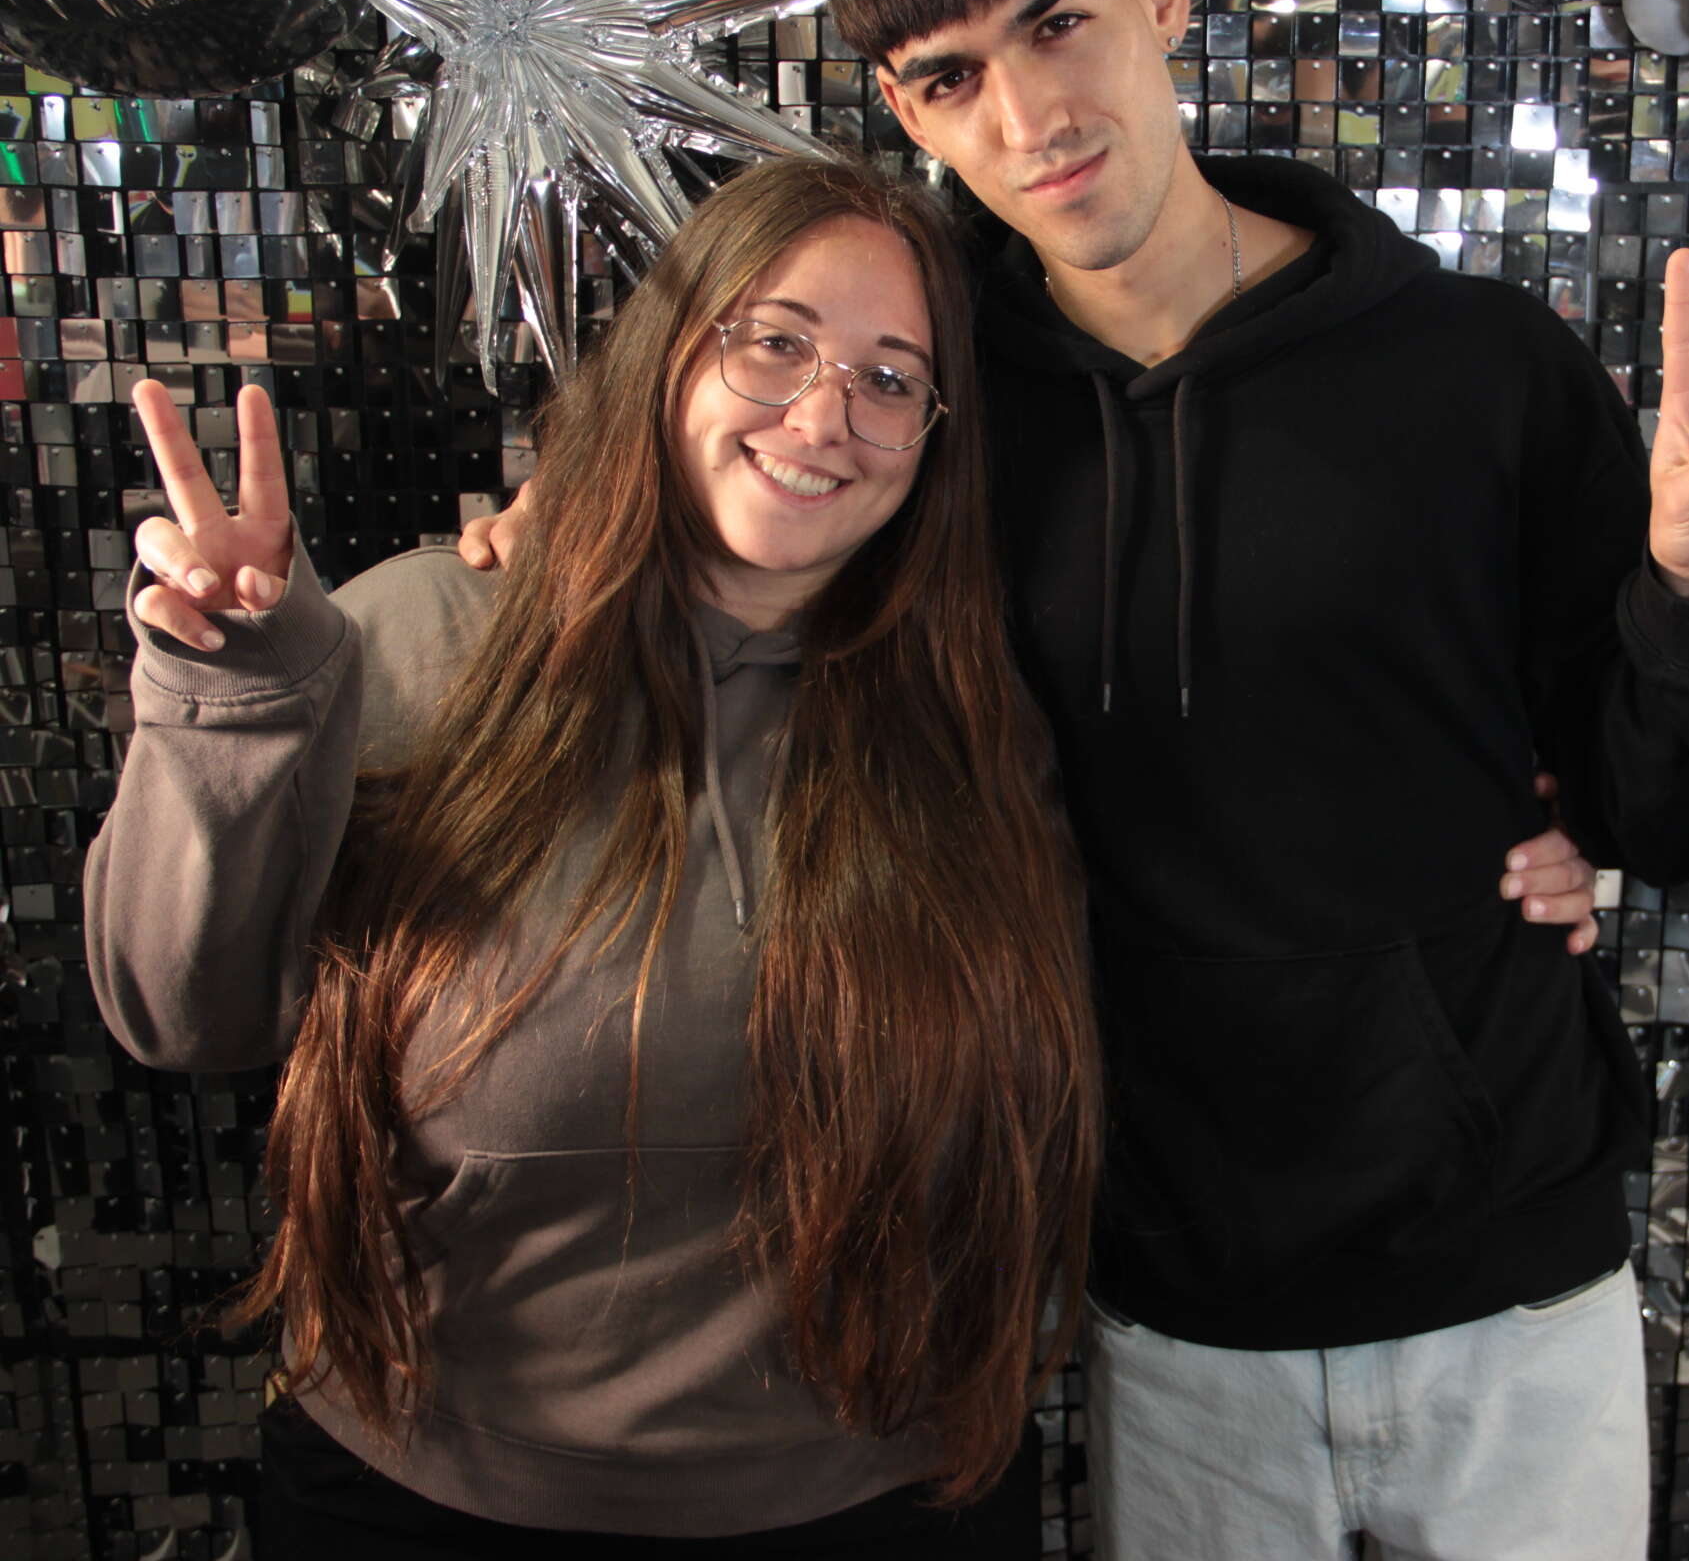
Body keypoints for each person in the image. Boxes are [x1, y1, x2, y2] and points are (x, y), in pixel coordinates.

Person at [467, 0, 1689, 1549]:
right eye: (953, 77)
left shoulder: (1477, 368)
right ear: (905, 104)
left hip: (1512, 1273)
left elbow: (1663, 811)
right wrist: (575, 519)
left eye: (1059, 24)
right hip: (1167, 1302)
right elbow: (748, 537)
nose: (1029, 118)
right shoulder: (920, 411)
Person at [84, 154, 1101, 1558]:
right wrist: (237, 702)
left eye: (889, 378)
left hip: (889, 1498)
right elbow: (183, 1016)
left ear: (936, 437)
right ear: (669, 355)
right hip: (433, 1501)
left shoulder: (974, 716)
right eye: (775, 342)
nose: (823, 416)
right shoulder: (426, 640)